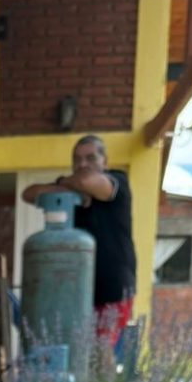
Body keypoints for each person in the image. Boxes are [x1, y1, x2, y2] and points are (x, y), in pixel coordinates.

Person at [22, 134, 137, 342]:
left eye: (90, 158)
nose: (82, 164)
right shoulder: (70, 185)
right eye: (77, 159)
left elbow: (88, 181)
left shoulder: (118, 181)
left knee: (100, 353)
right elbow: (29, 193)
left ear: (105, 161)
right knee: (73, 347)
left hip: (112, 287)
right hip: (76, 287)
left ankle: (101, 377)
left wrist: (68, 186)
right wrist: (67, 186)